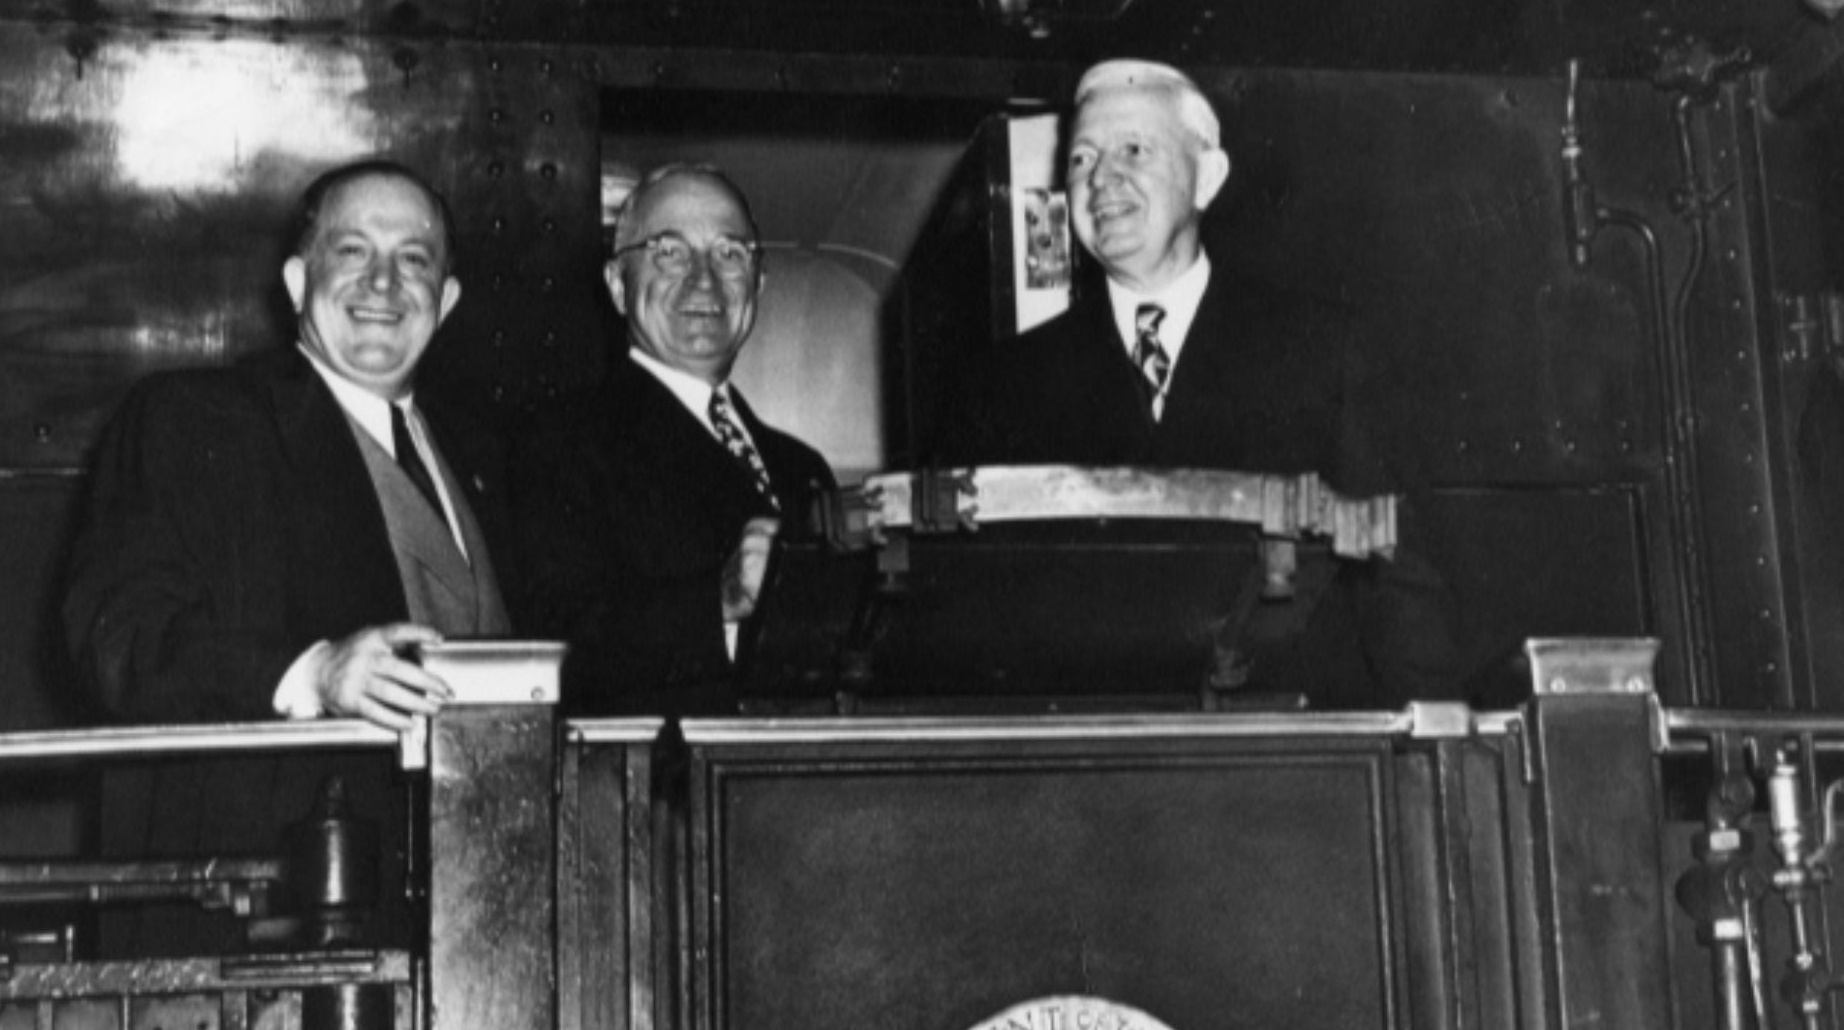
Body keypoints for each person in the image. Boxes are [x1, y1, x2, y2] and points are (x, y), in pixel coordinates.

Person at [63, 159, 512, 952]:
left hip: (471, 918)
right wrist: (312, 673)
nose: (383, 282)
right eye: (352, 252)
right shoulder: (193, 419)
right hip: (271, 933)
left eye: (414, 259)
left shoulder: (492, 457)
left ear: (445, 302)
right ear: (298, 280)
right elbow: (119, 639)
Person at [956, 60, 1460, 707]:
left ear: (1207, 176)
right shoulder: (1003, 383)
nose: (1102, 179)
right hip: (1092, 778)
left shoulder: (1323, 349)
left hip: (1295, 768)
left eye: (1133, 150)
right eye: (1081, 161)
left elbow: (1401, 577)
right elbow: (978, 624)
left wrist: (1445, 744)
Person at [516, 163, 836, 713]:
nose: (704, 279)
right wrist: (717, 604)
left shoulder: (803, 467)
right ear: (618, 285)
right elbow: (552, 653)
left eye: (730, 253)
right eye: (669, 251)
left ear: (758, 284)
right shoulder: (557, 443)